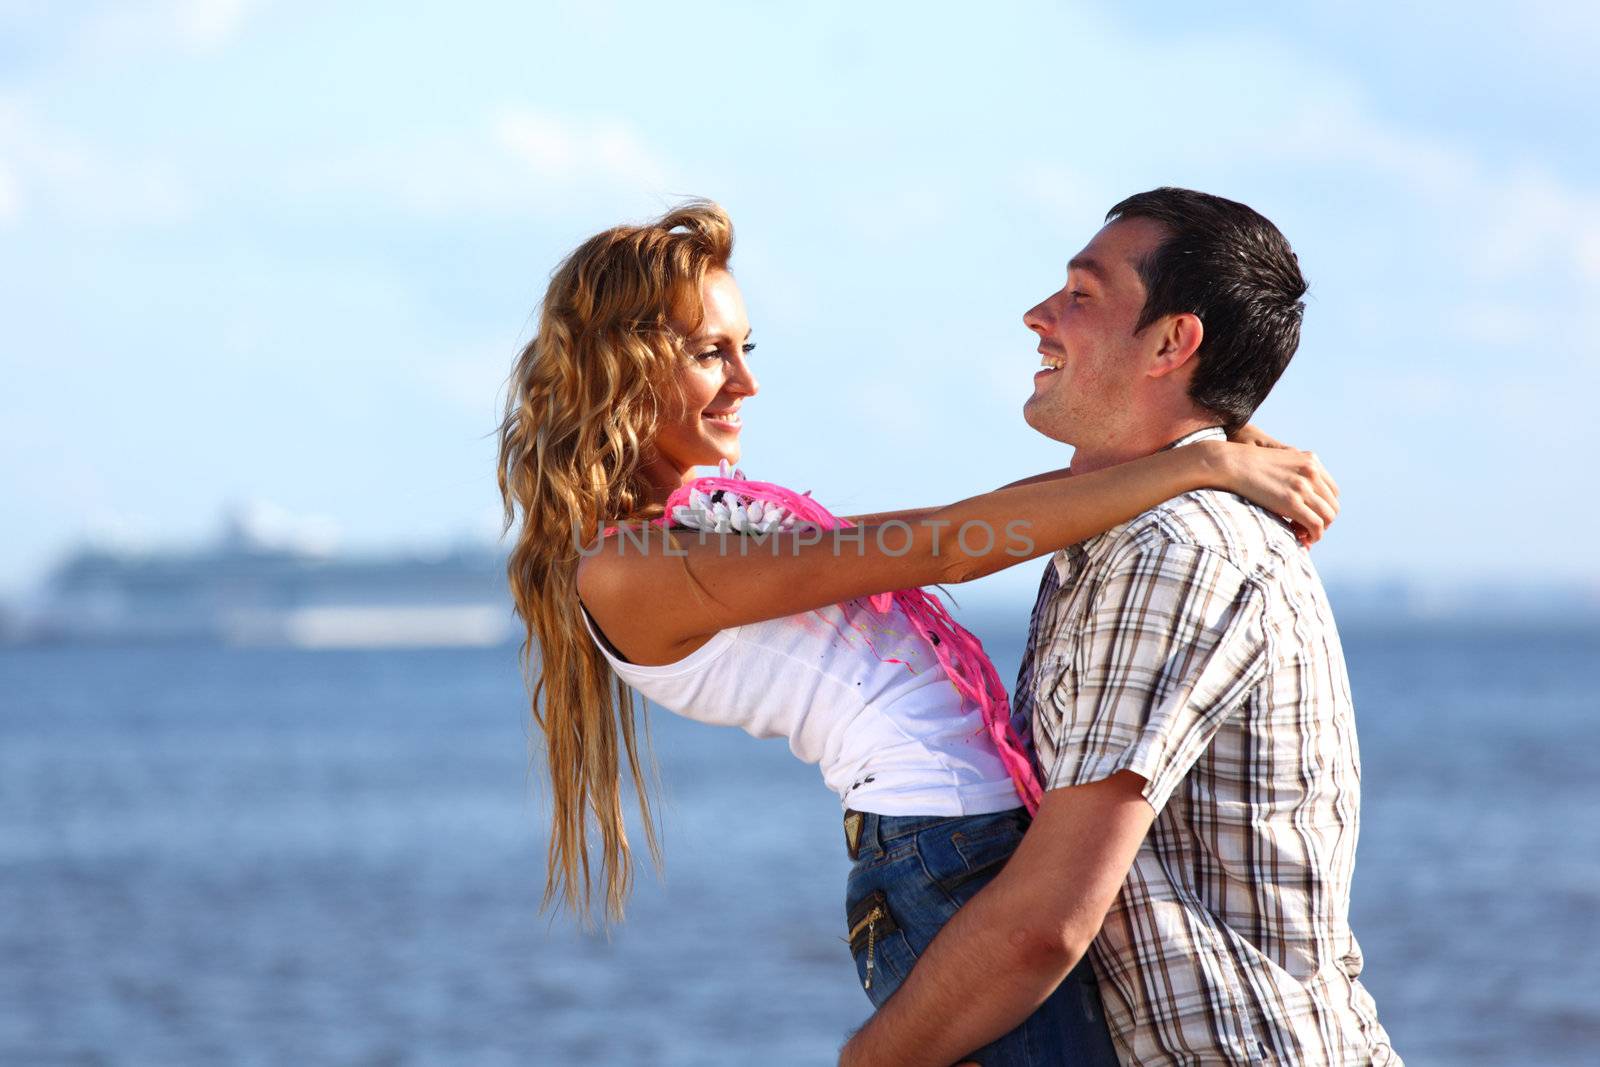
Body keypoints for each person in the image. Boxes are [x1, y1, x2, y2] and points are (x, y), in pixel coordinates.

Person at [495, 200, 1340, 1066]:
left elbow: (959, 525)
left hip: (955, 842)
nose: (745, 382)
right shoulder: (629, 570)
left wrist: (1203, 434)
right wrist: (1199, 461)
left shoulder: (699, 528)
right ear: (617, 367)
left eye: (746, 348)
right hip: (938, 856)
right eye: (711, 353)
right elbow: (948, 544)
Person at [838, 188, 1400, 1066]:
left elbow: (1045, 923)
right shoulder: (1131, 525)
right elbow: (957, 529)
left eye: (1081, 295)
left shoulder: (1171, 550)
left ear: (1174, 342)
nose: (1038, 316)